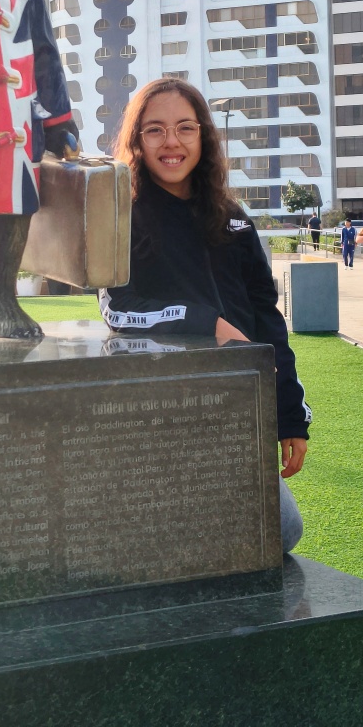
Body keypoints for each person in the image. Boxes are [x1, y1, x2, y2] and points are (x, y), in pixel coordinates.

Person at [99, 77, 312, 554]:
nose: (171, 142)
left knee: (282, 531)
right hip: (162, 411)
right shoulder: (123, 215)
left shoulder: (232, 217)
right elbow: (117, 309)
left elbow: (267, 322)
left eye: (184, 128)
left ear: (203, 136)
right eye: (155, 130)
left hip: (236, 409)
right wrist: (205, 322)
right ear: (136, 140)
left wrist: (289, 415)